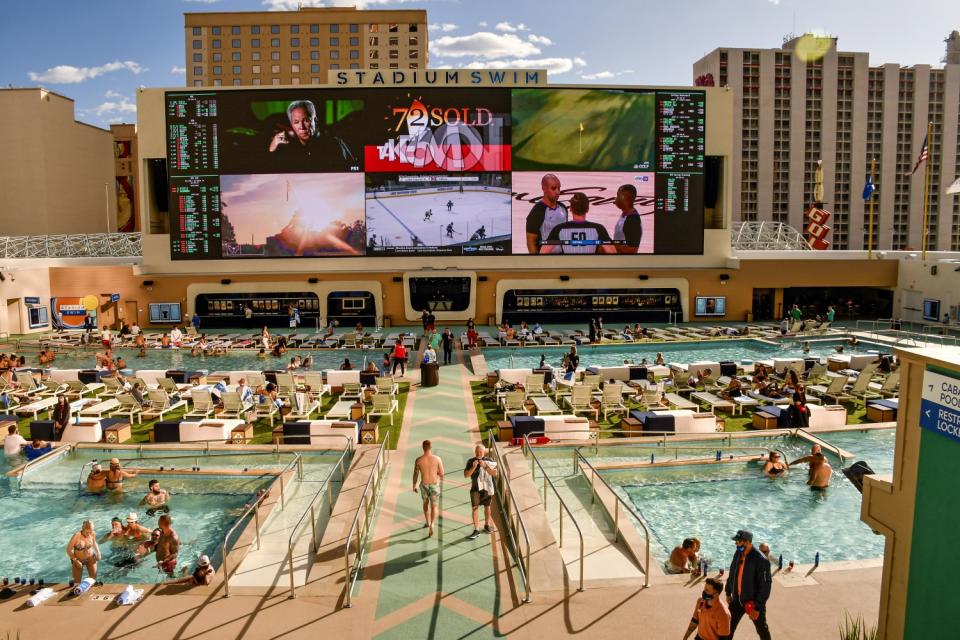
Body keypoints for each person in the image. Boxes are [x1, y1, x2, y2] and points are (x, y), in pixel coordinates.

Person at [267, 99, 353, 168]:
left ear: (315, 120)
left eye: (306, 120)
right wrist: (272, 148)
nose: (302, 127)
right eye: (296, 122)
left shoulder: (334, 144)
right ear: (292, 125)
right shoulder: (289, 149)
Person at [725, 530, 772, 640]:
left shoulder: (761, 560)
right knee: (728, 629)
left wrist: (758, 607)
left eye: (738, 542)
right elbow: (732, 572)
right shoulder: (738, 553)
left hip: (753, 602)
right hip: (737, 600)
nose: (736, 544)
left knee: (762, 630)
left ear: (747, 542)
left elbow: (765, 587)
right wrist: (728, 591)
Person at [540, 193, 616, 254]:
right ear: (587, 209)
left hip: (568, 270)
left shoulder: (559, 229)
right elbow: (613, 253)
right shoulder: (598, 229)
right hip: (590, 270)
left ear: (570, 209)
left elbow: (543, 253)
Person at [525, 174, 569, 254]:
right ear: (544, 188)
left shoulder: (563, 208)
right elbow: (530, 241)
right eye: (553, 188)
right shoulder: (537, 211)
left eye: (559, 188)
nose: (557, 192)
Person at [412, 440, 445, 538]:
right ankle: (432, 524)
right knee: (434, 506)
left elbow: (416, 474)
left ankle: (427, 522)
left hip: (424, 485)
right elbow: (442, 473)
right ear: (431, 447)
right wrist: (436, 473)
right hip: (434, 484)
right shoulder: (437, 459)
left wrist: (414, 485)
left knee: (425, 503)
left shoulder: (418, 460)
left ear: (423, 447)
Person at [465, 444, 497, 540]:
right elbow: (466, 475)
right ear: (475, 452)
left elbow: (495, 473)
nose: (478, 453)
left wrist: (485, 466)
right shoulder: (471, 461)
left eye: (480, 452)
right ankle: (476, 529)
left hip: (486, 488)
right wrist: (473, 467)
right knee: (475, 508)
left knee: (487, 507)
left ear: (484, 452)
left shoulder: (489, 461)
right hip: (475, 489)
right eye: (477, 452)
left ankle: (487, 525)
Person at [613, 183, 643, 254]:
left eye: (617, 195)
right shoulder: (626, 214)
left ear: (623, 197)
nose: (615, 199)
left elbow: (632, 250)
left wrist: (610, 245)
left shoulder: (633, 221)